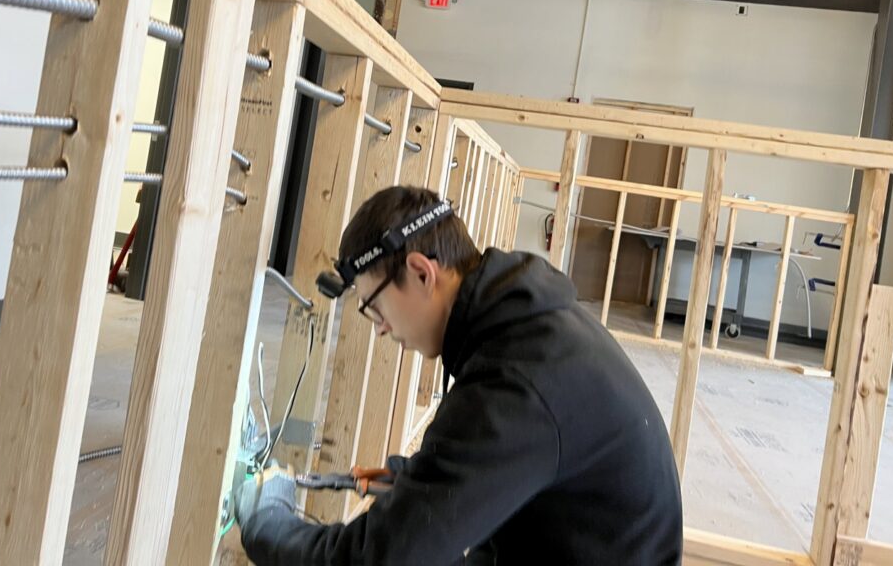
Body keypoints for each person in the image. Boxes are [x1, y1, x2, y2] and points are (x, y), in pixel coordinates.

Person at [236, 186, 683, 565]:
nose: (381, 327)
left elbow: (378, 559)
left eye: (374, 306)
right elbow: (514, 453)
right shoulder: (525, 326)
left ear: (420, 272)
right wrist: (427, 479)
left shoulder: (516, 380)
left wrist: (268, 521)